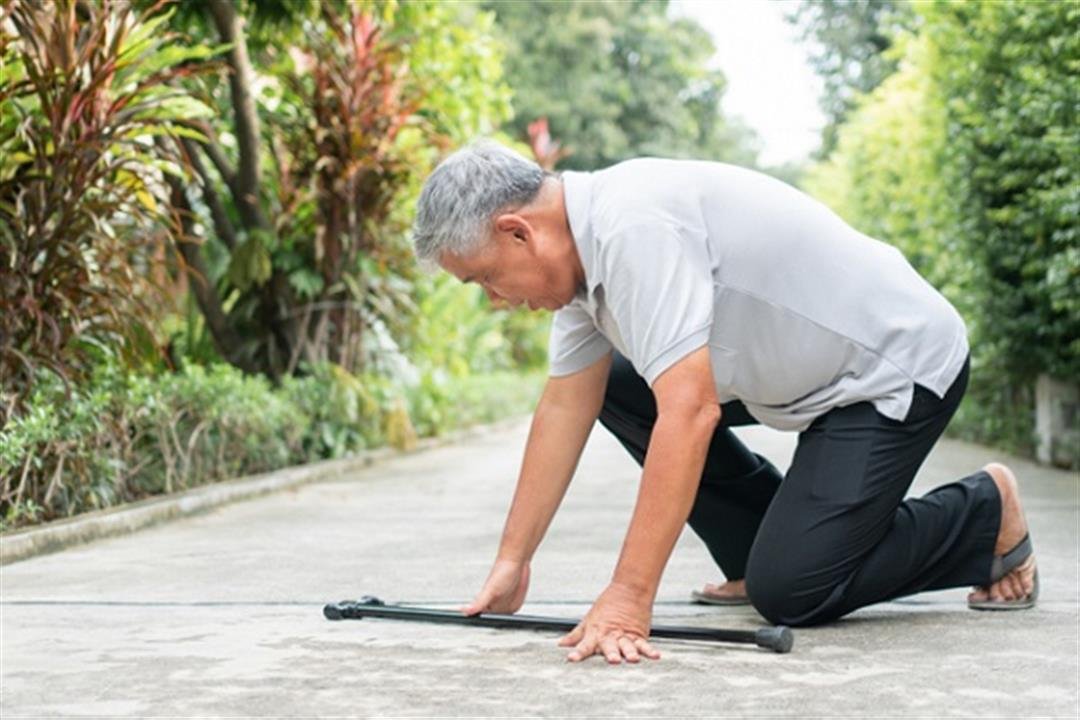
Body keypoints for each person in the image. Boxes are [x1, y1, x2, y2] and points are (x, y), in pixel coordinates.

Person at [409, 140, 1039, 665]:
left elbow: (690, 412)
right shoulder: (582, 262)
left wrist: (629, 596)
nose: (495, 299)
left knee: (791, 592)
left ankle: (982, 513)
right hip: (808, 373)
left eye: (485, 277)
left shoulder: (633, 226)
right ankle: (752, 548)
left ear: (517, 232)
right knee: (618, 385)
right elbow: (564, 407)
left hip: (892, 369)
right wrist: (513, 560)